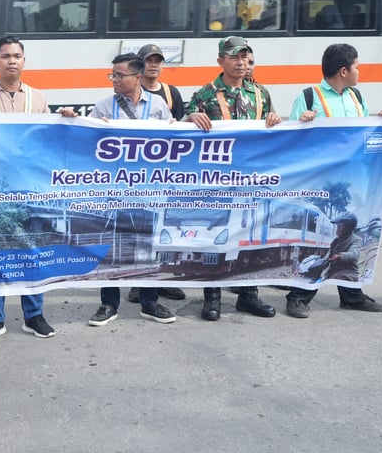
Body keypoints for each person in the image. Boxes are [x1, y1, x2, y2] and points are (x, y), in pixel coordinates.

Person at [0, 36, 72, 344]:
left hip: (29, 191)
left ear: (24, 61)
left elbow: (47, 140)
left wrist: (64, 120)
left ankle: (33, 316)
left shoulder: (38, 99)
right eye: (5, 56)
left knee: (31, 251)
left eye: (16, 55)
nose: (11, 60)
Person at [284, 43, 382, 318]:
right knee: (328, 242)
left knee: (350, 240)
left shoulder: (356, 97)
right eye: (357, 67)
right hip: (322, 185)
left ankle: (351, 295)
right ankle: (298, 296)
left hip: (354, 183)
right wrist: (301, 123)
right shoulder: (309, 97)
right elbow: (291, 142)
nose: (359, 72)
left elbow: (365, 135)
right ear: (344, 70)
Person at [184, 36, 280, 321]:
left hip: (252, 178)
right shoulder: (205, 95)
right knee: (215, 238)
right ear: (220, 61)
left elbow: (272, 126)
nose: (241, 62)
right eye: (234, 57)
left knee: (252, 237)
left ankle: (248, 295)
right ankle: (212, 297)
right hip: (218, 180)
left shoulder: (260, 93)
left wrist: (275, 120)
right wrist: (190, 119)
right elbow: (180, 128)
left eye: (244, 57)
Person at [86, 53, 177, 327]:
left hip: (149, 192)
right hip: (114, 192)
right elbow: (86, 142)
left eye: (119, 75)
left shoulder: (158, 106)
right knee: (112, 249)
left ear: (138, 77)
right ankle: (109, 304)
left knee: (148, 247)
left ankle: (149, 302)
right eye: (112, 74)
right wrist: (91, 129)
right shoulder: (104, 106)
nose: (114, 79)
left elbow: (173, 142)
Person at [126, 44, 186, 304]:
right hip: (133, 179)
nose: (154, 65)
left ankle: (161, 281)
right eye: (148, 60)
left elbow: (181, 130)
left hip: (162, 177)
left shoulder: (171, 94)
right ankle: (136, 284)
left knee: (163, 232)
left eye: (158, 60)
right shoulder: (128, 93)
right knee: (137, 233)